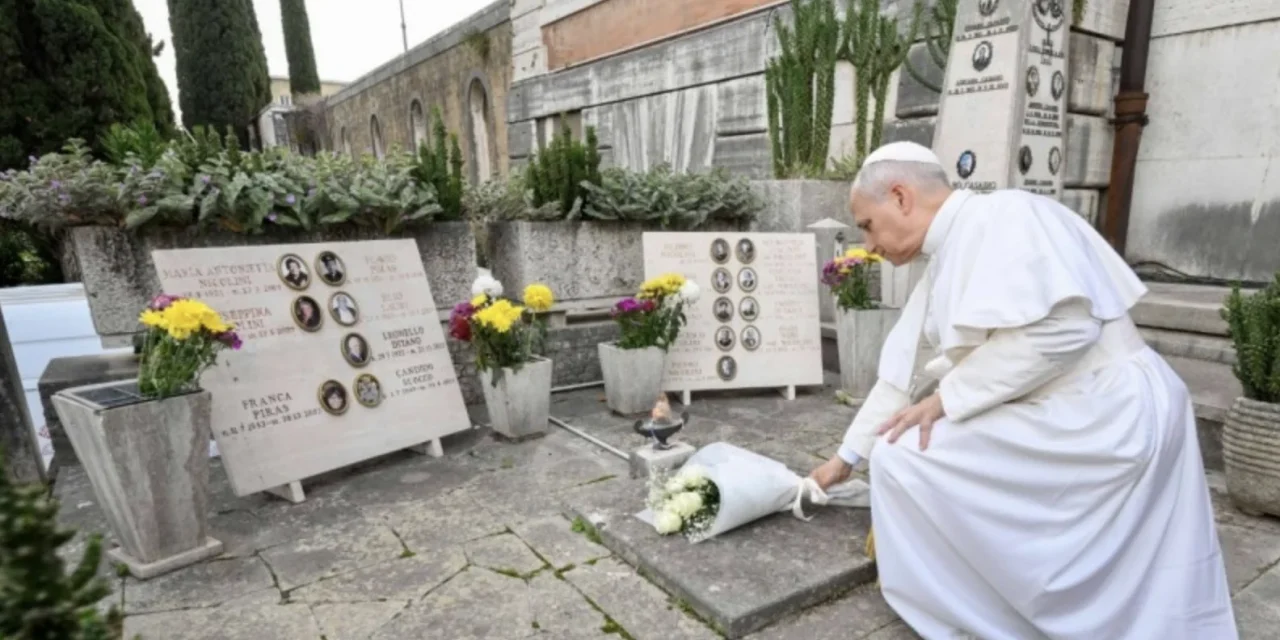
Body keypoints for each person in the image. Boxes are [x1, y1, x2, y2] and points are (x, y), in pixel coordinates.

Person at [808, 141, 1236, 638]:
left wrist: (946, 399)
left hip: (1108, 411)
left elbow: (1068, 328)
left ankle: (983, 605)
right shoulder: (948, 249)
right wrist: (846, 458)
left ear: (901, 197)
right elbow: (902, 376)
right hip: (1077, 404)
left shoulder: (1007, 214)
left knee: (906, 458)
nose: (869, 244)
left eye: (867, 225)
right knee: (898, 450)